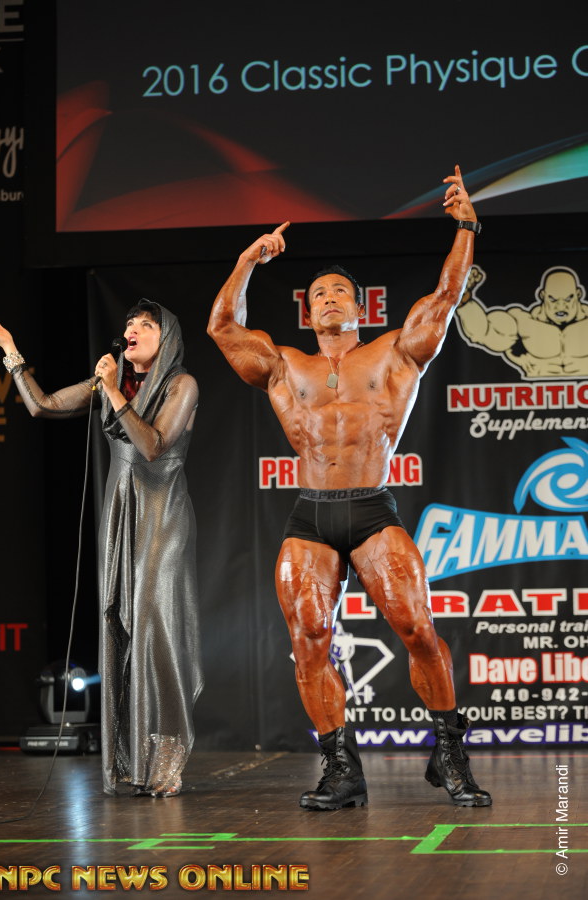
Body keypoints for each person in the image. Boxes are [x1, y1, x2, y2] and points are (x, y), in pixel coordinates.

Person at [208, 165, 491, 811]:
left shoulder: (396, 352)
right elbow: (223, 328)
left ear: (360, 307)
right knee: (308, 638)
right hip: (310, 514)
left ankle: (449, 754)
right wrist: (248, 260)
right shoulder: (284, 365)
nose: (330, 298)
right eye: (319, 293)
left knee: (416, 629)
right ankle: (341, 769)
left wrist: (466, 227)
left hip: (370, 509)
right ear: (307, 311)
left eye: (341, 291)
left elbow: (446, 295)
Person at [0, 300, 203, 797]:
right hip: (120, 511)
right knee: (119, 626)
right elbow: (41, 405)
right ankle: (131, 760)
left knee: (154, 628)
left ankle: (167, 755)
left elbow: (153, 446)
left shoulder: (182, 385)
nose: (132, 330)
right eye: (129, 324)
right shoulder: (111, 383)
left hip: (161, 513)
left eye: (145, 325)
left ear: (167, 338)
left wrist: (110, 389)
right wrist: (12, 355)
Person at [456, 264, 588, 376]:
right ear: (543, 295)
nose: (560, 306)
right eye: (553, 299)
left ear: (578, 294)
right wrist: (465, 300)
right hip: (536, 395)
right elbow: (483, 333)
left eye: (568, 299)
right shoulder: (523, 322)